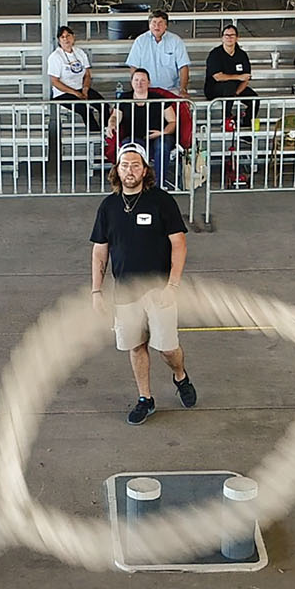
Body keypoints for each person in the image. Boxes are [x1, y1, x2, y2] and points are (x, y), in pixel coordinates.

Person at [89, 143, 195, 426]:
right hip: (125, 293)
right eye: (125, 165)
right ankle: (145, 399)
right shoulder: (108, 206)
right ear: (117, 169)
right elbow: (100, 250)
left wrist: (173, 286)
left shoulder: (161, 201)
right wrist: (97, 291)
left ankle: (180, 376)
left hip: (159, 290)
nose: (130, 171)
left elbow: (179, 244)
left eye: (136, 165)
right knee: (136, 346)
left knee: (167, 349)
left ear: (145, 169)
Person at [107, 68, 178, 190]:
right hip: (134, 137)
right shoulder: (124, 98)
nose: (139, 83)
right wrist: (111, 124)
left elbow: (172, 121)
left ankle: (158, 185)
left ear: (149, 83)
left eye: (143, 80)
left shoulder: (159, 98)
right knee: (129, 145)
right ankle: (131, 184)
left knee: (162, 145)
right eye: (136, 80)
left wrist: (163, 132)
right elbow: (114, 117)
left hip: (159, 136)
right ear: (132, 82)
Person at [49, 25, 104, 130]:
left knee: (103, 105)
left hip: (81, 88)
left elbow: (87, 74)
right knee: (85, 110)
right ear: (59, 40)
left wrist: (85, 89)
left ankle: (107, 131)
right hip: (63, 93)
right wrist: (76, 93)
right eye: (62, 37)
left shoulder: (79, 52)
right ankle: (94, 133)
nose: (66, 39)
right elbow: (55, 81)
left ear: (73, 37)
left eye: (68, 35)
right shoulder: (55, 57)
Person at [125, 10, 191, 96]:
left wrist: (183, 89)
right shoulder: (140, 41)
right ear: (149, 25)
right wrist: (137, 89)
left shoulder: (176, 41)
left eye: (160, 23)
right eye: (154, 23)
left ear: (166, 25)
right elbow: (134, 67)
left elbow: (183, 67)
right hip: (147, 90)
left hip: (171, 89)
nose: (157, 26)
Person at [203, 24, 257, 124]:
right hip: (214, 88)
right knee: (229, 86)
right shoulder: (215, 54)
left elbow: (246, 78)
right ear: (222, 38)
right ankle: (227, 119)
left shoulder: (242, 54)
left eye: (232, 35)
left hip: (235, 88)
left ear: (237, 38)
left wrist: (236, 93)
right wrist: (238, 77)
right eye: (226, 35)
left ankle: (247, 123)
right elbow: (218, 77)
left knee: (254, 99)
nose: (229, 38)